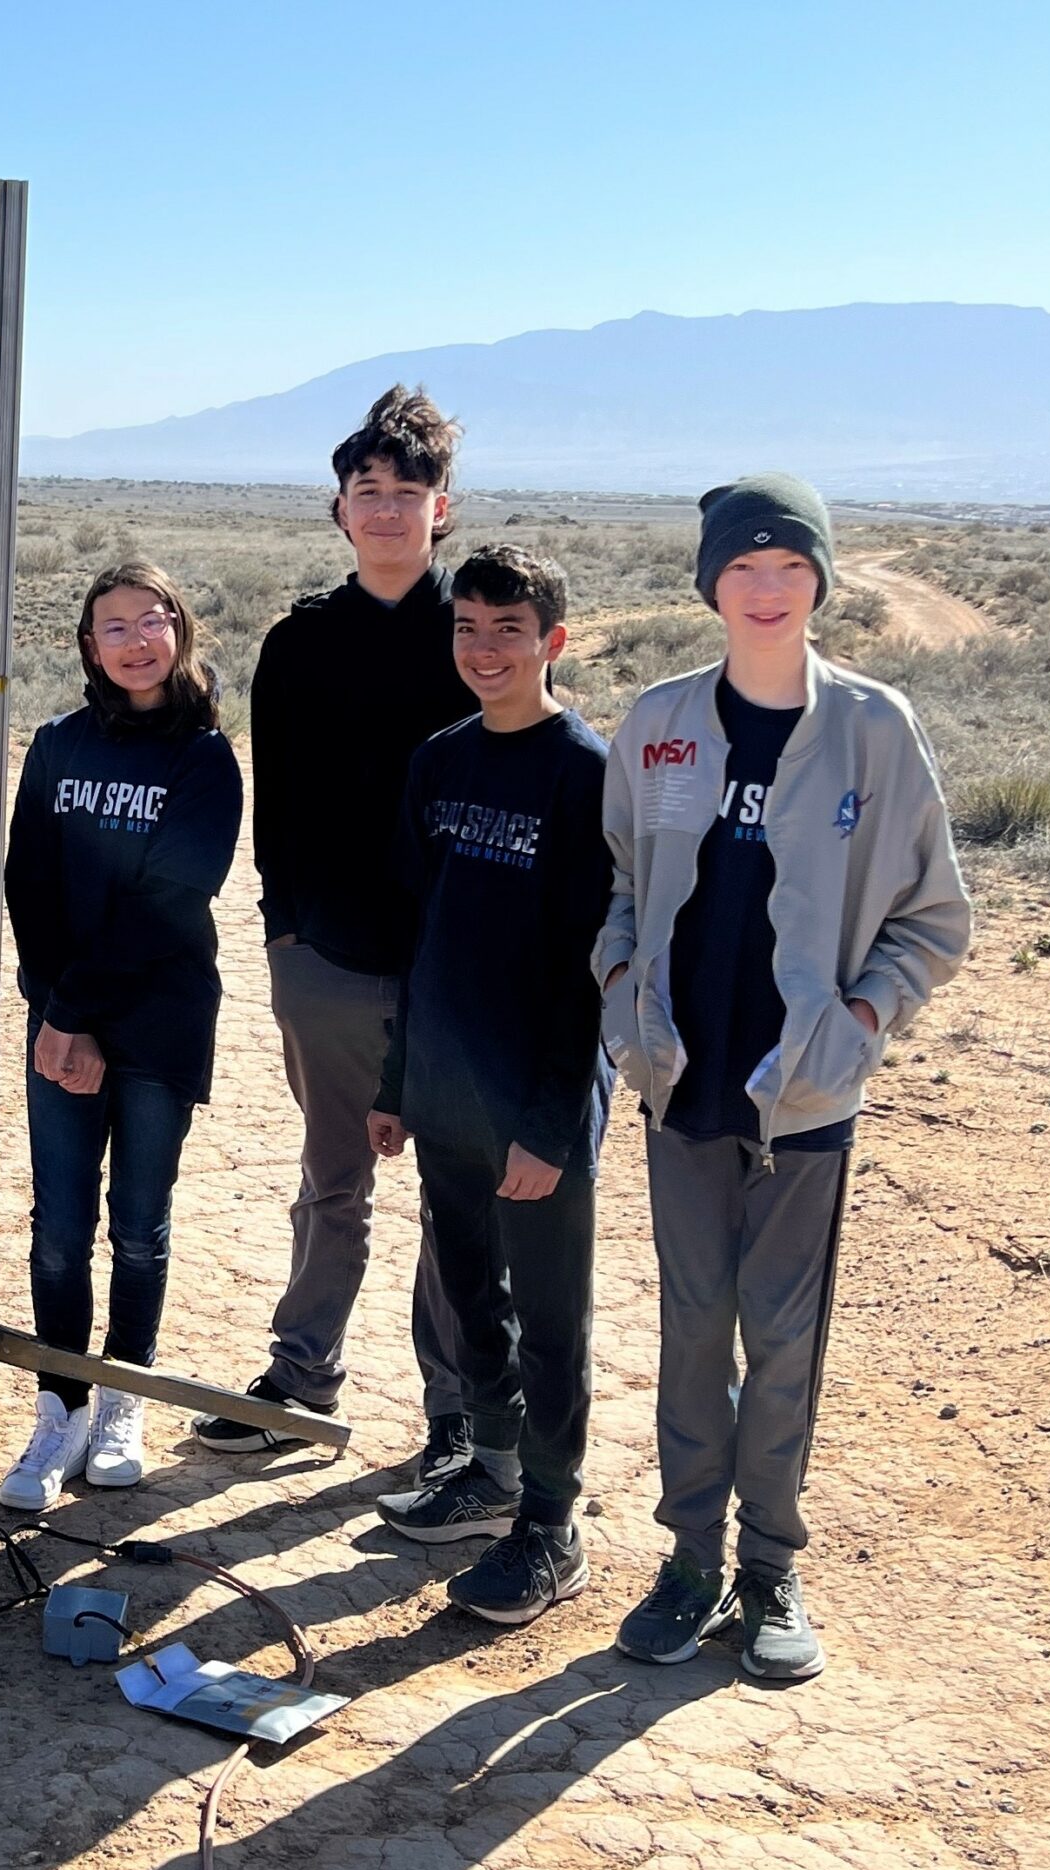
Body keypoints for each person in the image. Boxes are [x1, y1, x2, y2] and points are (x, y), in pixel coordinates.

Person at [601, 475, 970, 1681]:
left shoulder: (872, 727)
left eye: (788, 568)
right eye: (742, 569)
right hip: (680, 1082)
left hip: (805, 1094)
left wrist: (861, 1016)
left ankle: (769, 1569)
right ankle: (688, 1558)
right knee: (692, 1326)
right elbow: (611, 888)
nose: (766, 591)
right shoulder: (657, 720)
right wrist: (621, 999)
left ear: (818, 580)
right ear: (710, 584)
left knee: (784, 1335)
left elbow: (933, 916)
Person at [197, 386, 474, 1481]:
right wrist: (285, 941)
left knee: (458, 1192)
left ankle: (456, 1410)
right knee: (332, 1179)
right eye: (370, 492)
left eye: (407, 492)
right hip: (329, 960)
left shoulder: (475, 632)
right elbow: (280, 811)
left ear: (439, 507)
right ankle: (300, 1375)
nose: (388, 509)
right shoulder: (300, 641)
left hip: (456, 970)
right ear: (340, 508)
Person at [366, 545, 609, 1625]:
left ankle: (551, 1527)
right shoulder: (439, 762)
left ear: (552, 641)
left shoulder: (587, 773)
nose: (484, 649)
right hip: (445, 1094)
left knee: (551, 1318)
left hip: (537, 1107)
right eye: (467, 627)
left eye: (508, 629)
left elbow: (587, 976)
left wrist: (549, 1124)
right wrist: (395, 1080)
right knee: (472, 1295)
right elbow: (420, 939)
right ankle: (494, 1468)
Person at [0, 563, 243, 1511]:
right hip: (64, 1018)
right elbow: (31, 885)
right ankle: (59, 1405)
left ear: (179, 631)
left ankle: (123, 1396)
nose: (136, 640)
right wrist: (57, 1007)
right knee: (60, 1227)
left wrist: (77, 1014)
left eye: (152, 621)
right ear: (88, 645)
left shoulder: (203, 756)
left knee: (139, 1224)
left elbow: (169, 904)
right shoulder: (58, 746)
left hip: (158, 1025)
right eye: (114, 626)